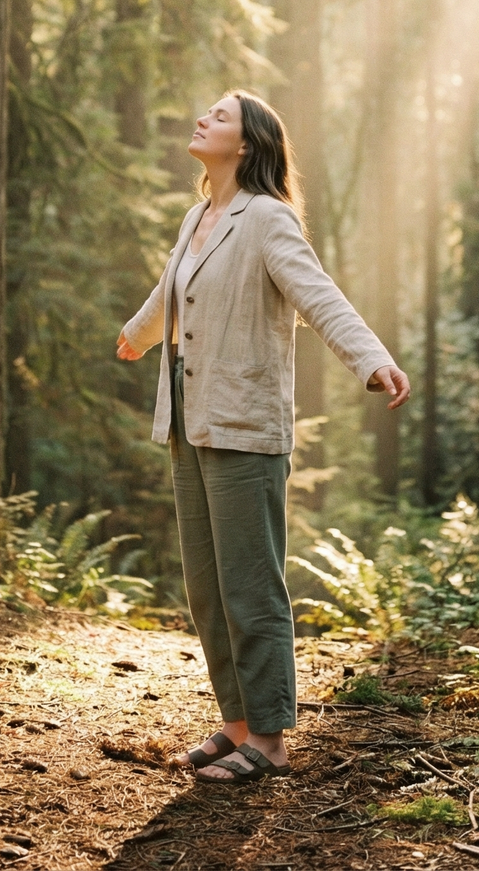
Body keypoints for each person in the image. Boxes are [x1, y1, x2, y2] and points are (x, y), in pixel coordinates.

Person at [116, 90, 410, 785]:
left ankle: (272, 739)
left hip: (244, 424)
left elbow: (319, 295)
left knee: (251, 586)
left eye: (218, 115)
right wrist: (135, 335)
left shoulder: (267, 218)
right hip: (189, 421)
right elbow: (170, 297)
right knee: (208, 588)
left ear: (246, 143)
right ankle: (238, 724)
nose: (202, 118)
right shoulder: (197, 216)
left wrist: (372, 359)